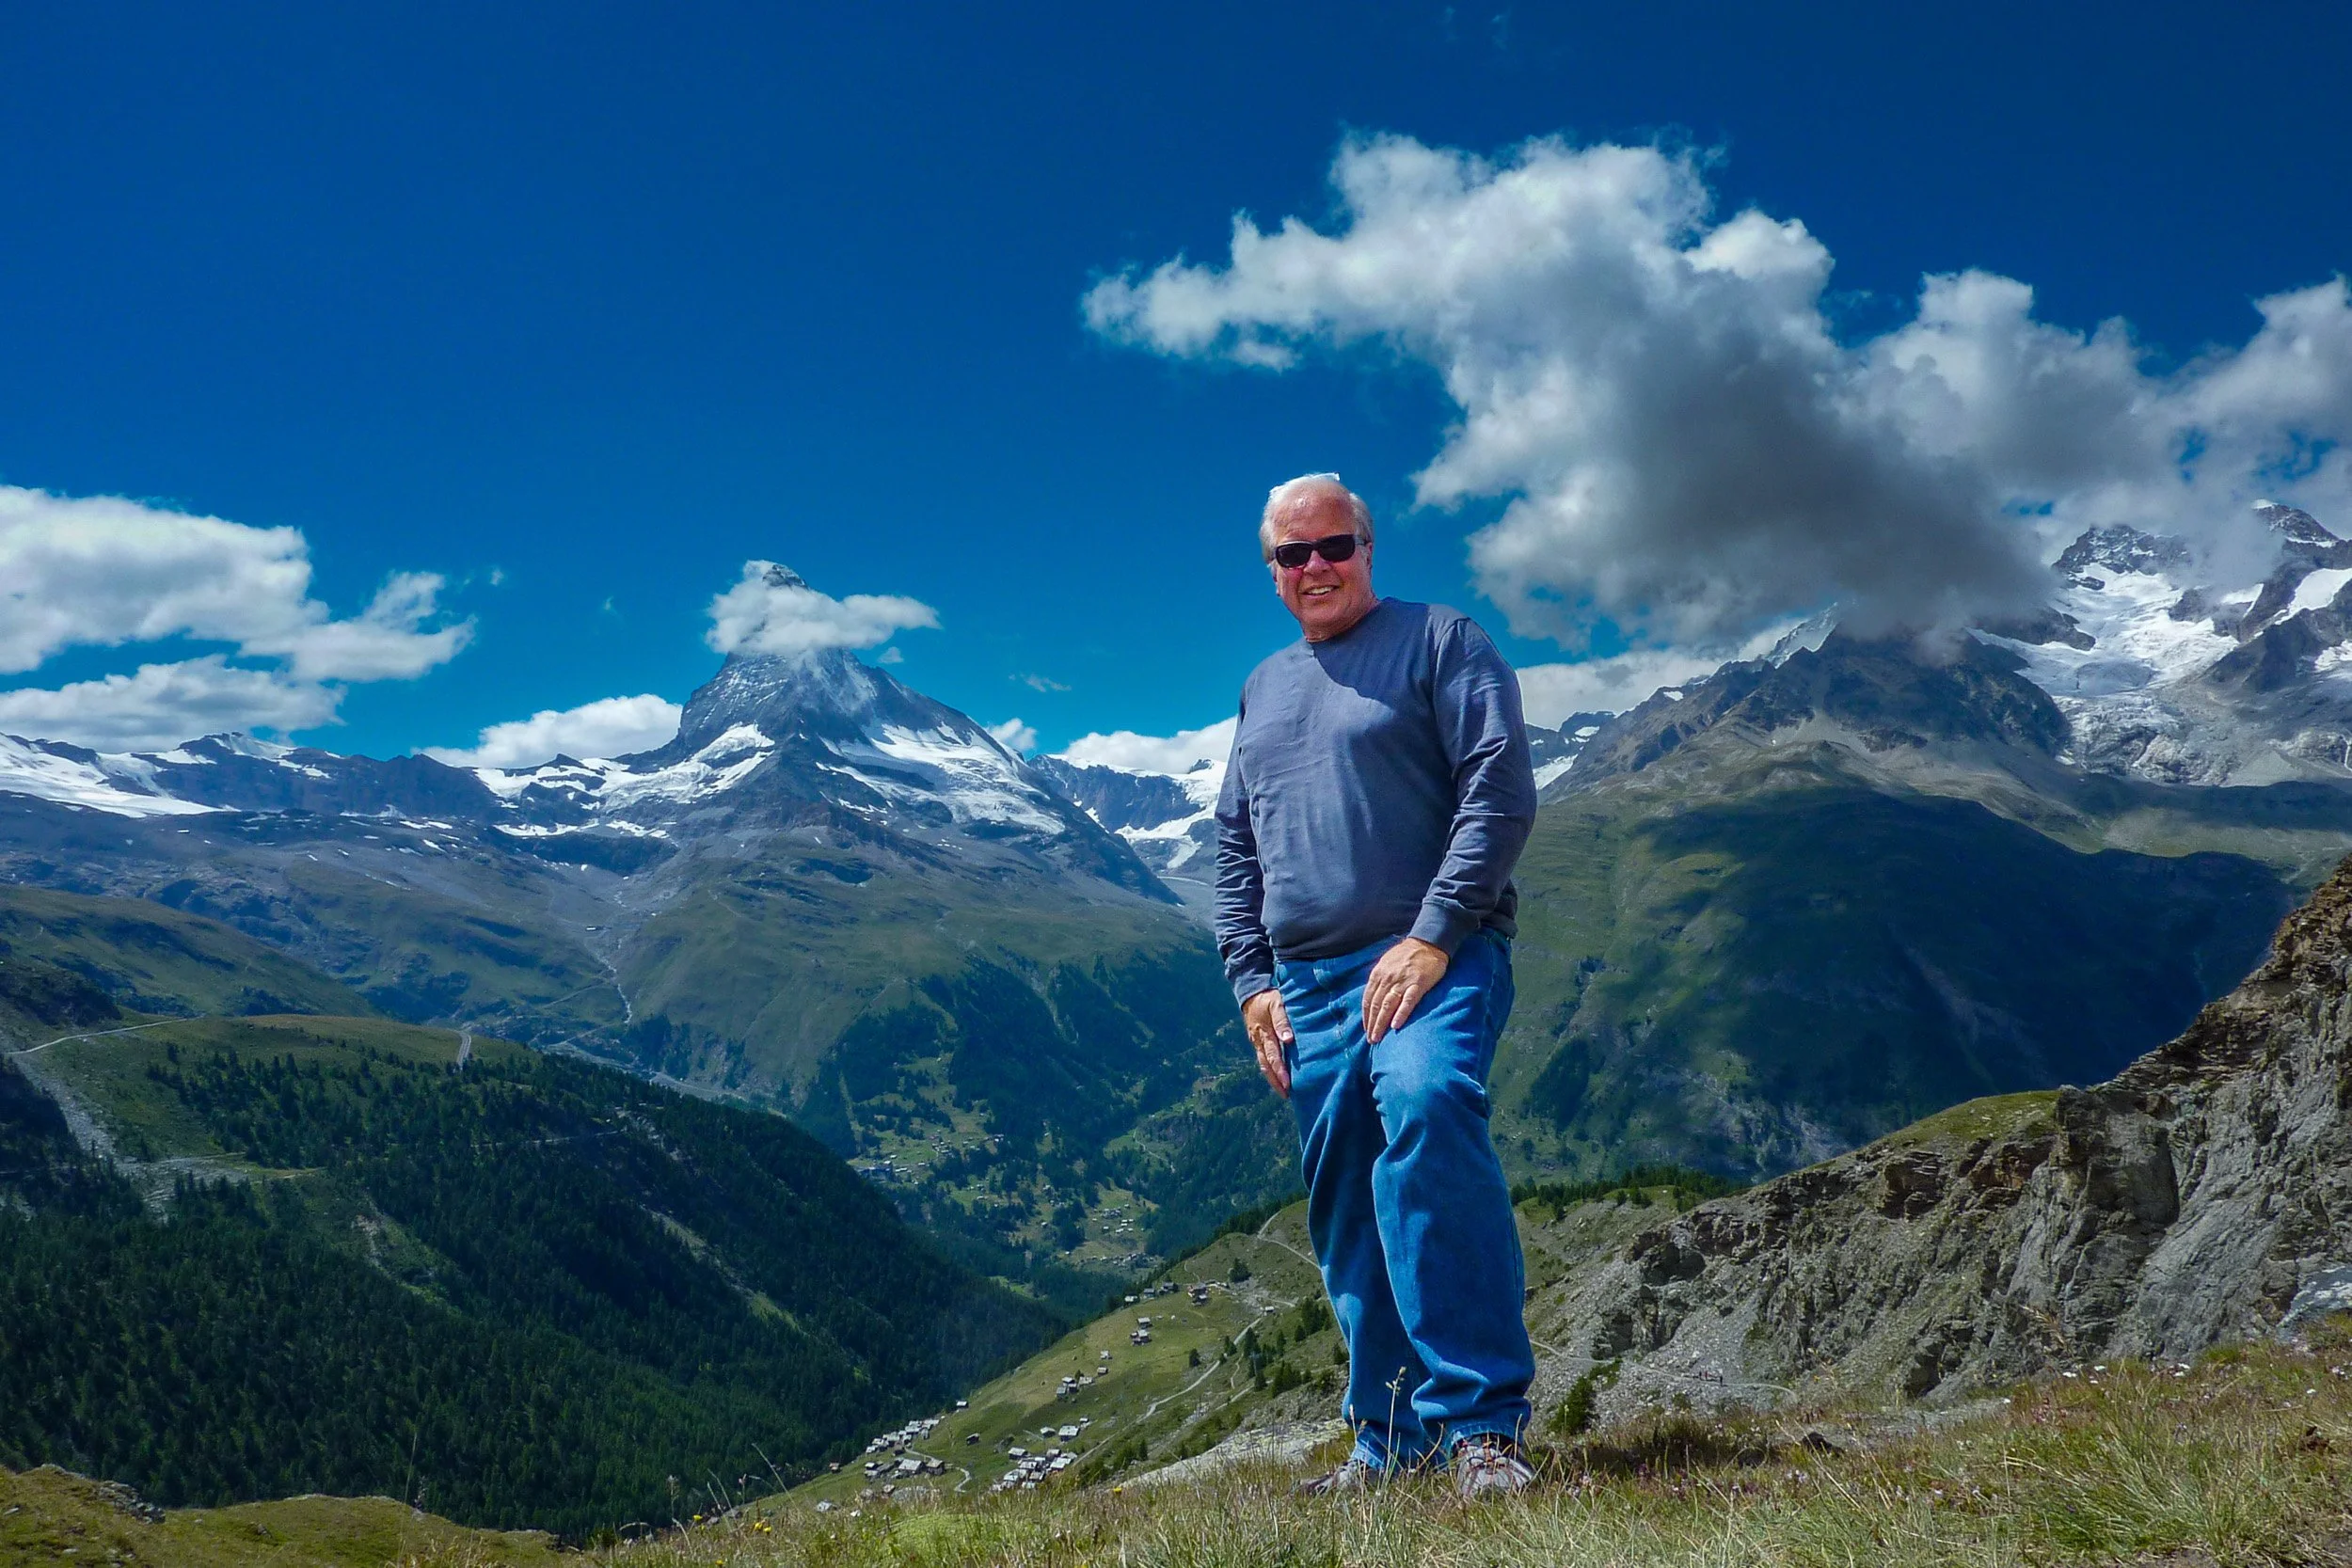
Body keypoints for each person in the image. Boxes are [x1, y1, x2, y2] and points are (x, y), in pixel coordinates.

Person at [1215, 472, 1541, 1498]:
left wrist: (1436, 931)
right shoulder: (1263, 686)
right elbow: (1236, 841)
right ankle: (1390, 1435)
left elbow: (1498, 782)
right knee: (1349, 1196)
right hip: (1303, 987)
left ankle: (1482, 1425)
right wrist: (1249, 981)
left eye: (1333, 546)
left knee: (1429, 1103)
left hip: (1426, 960)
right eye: (1291, 555)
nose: (1315, 567)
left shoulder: (1444, 640)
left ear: (1367, 547)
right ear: (1270, 572)